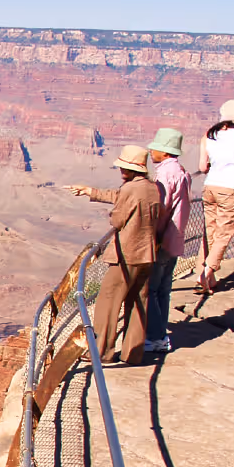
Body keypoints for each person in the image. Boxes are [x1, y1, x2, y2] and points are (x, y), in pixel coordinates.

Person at [67, 145, 164, 365]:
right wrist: (89, 191)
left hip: (126, 255)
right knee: (139, 303)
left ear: (132, 169)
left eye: (124, 168)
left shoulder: (131, 190)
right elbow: (120, 196)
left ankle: (102, 353)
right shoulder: (152, 188)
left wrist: (114, 213)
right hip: (147, 253)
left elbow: (117, 220)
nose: (121, 171)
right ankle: (133, 353)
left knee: (108, 304)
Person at [139, 127, 190, 352]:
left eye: (156, 148)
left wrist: (153, 236)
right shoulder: (181, 171)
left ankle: (154, 337)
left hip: (162, 238)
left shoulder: (165, 174)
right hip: (176, 237)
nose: (151, 151)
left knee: (150, 289)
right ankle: (159, 336)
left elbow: (161, 208)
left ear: (166, 152)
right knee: (163, 289)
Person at [196, 99, 234, 293]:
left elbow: (202, 167)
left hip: (210, 186)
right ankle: (207, 270)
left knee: (211, 230)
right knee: (224, 232)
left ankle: (206, 276)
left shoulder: (208, 134)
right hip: (230, 188)